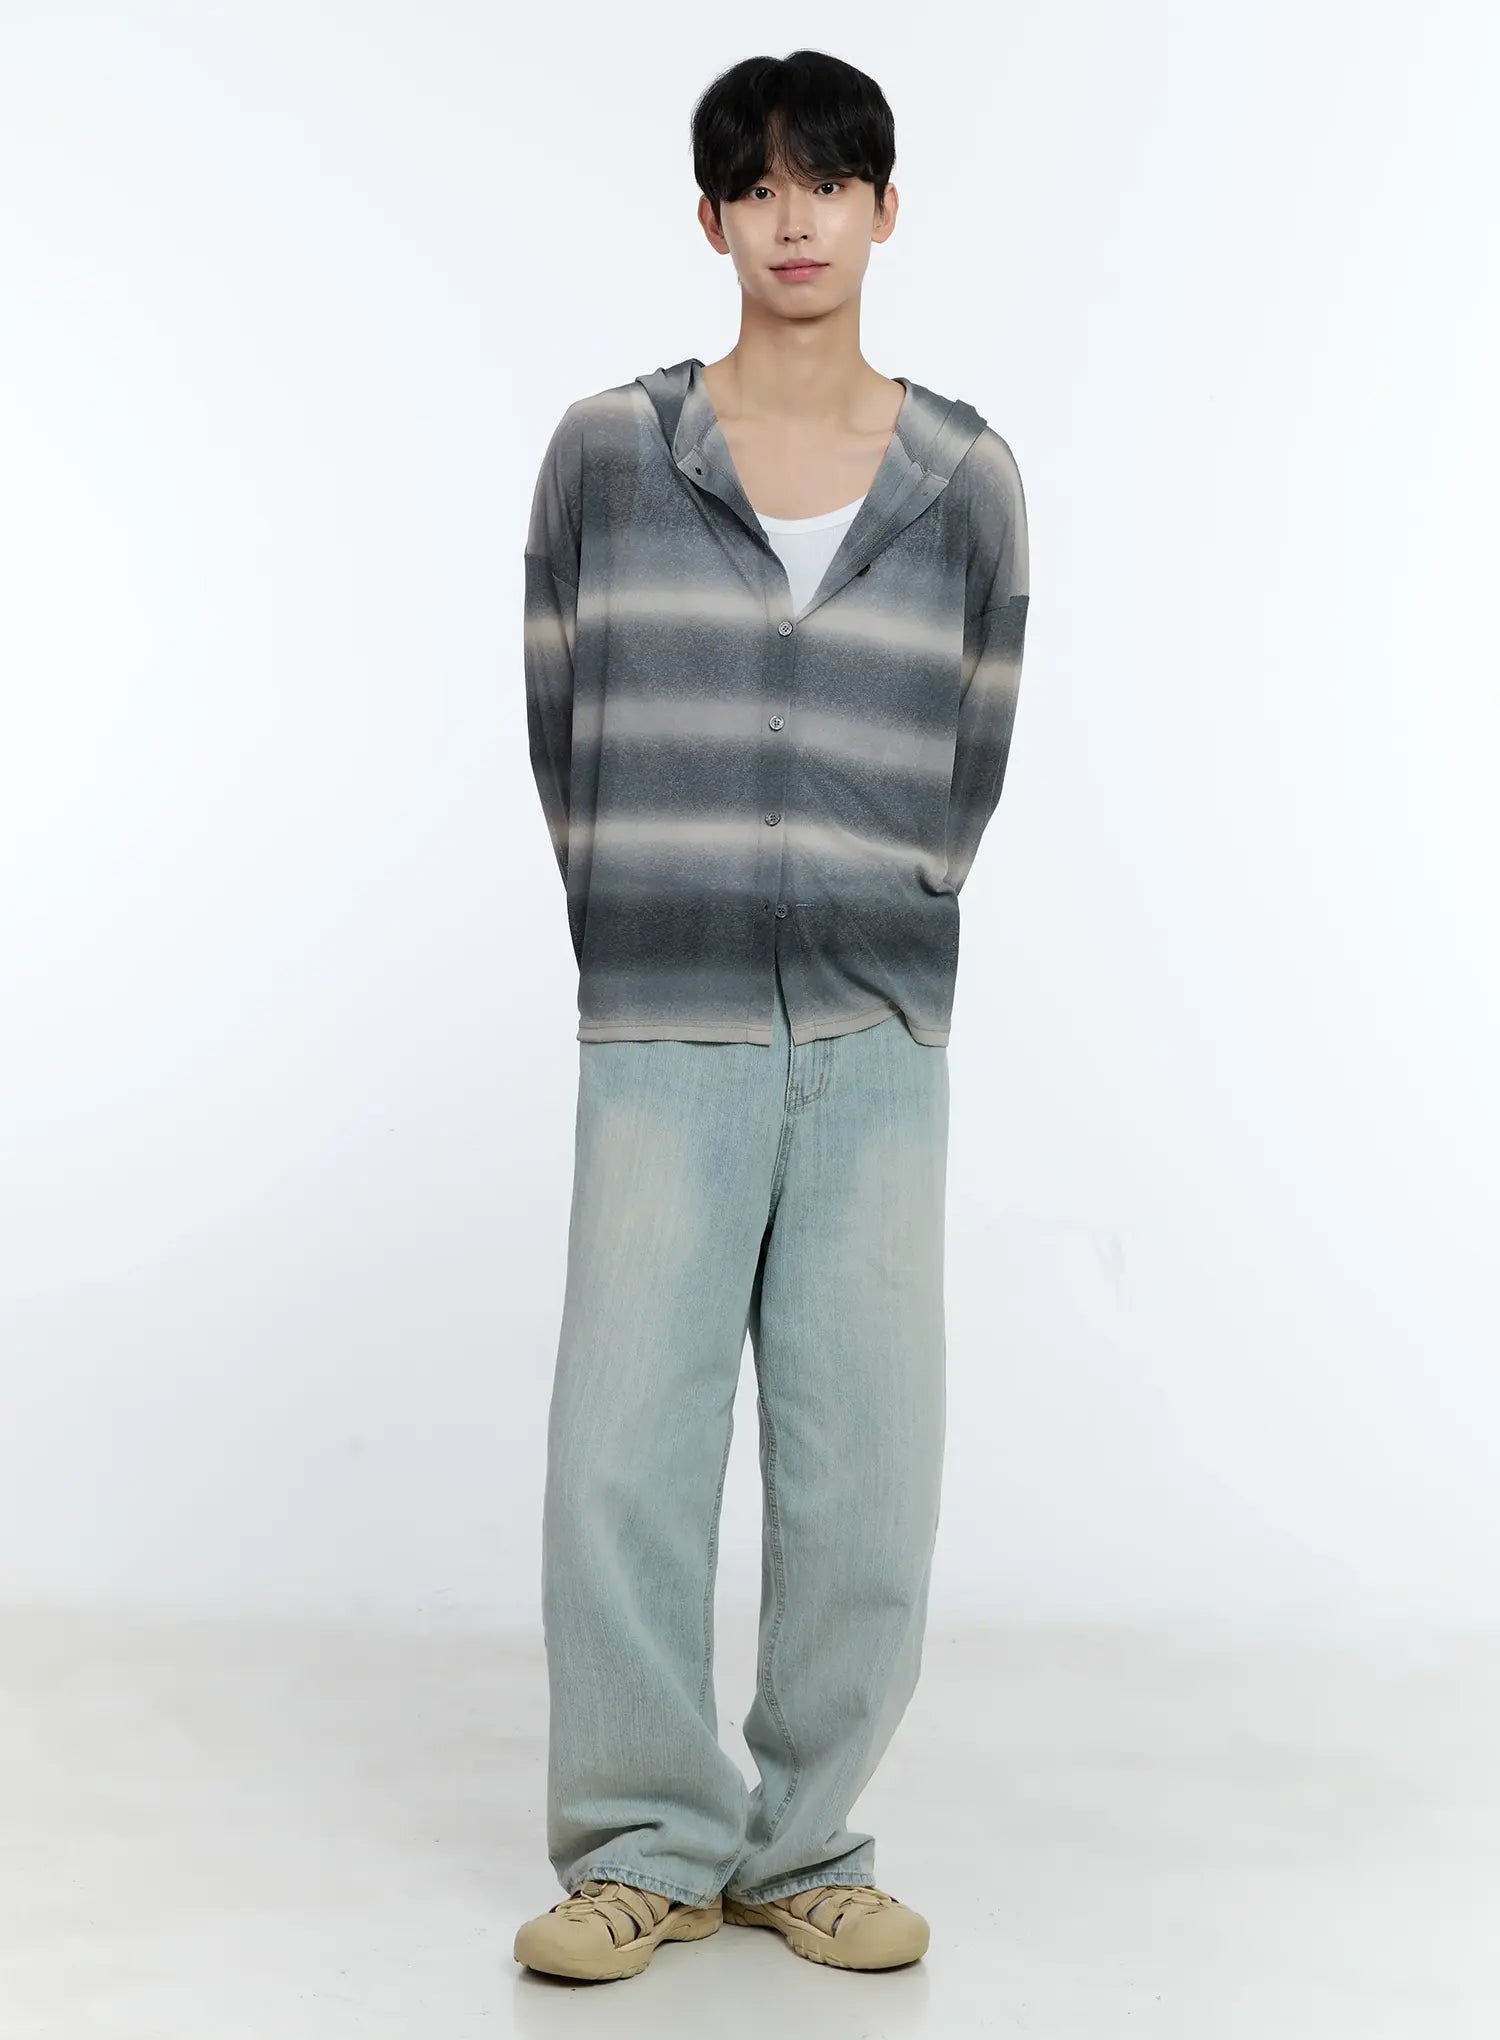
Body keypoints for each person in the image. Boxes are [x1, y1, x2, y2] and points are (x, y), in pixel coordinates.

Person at [513, 47, 1030, 1983]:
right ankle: (643, 1846)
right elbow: (563, 719)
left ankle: (808, 1845)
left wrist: (892, 912)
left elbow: (975, 743)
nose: (793, 217)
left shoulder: (967, 478)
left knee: (868, 1461)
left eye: (828, 183)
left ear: (887, 210)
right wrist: (648, 910)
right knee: (621, 1456)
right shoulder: (609, 453)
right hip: (666, 1020)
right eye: (756, 185)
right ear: (711, 217)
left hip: (881, 1038)